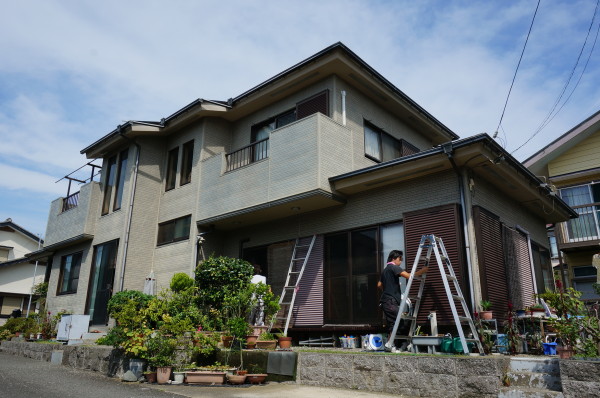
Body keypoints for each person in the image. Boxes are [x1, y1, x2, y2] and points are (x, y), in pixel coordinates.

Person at [377, 249, 428, 352]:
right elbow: (409, 276)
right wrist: (423, 271)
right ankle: (391, 344)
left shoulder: (385, 269)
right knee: (397, 322)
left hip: (386, 301)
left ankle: (390, 345)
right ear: (394, 259)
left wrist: (388, 288)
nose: (401, 261)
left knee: (393, 323)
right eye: (400, 259)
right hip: (390, 301)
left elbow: (379, 285)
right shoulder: (394, 267)